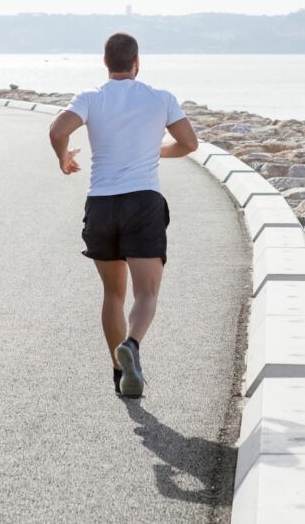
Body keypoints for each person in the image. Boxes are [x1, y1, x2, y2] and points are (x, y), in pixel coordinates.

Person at [48, 32, 198, 398]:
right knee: (146, 292)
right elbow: (189, 144)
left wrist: (63, 157)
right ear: (137, 63)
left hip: (101, 204)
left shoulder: (91, 98)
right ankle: (131, 345)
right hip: (142, 202)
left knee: (113, 293)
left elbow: (57, 130)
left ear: (105, 62)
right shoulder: (160, 98)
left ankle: (120, 375)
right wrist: (152, 151)